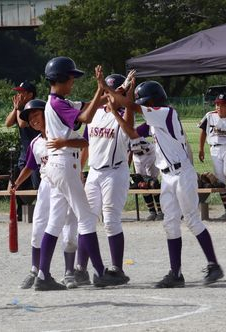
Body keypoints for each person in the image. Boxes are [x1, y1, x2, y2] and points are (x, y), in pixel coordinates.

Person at [106, 80, 224, 288]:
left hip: (182, 174)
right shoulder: (154, 120)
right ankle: (176, 273)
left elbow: (132, 106)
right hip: (167, 177)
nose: (144, 106)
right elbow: (132, 133)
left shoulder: (165, 113)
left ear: (154, 100)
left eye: (146, 102)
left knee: (191, 220)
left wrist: (108, 91)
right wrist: (115, 113)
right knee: (170, 224)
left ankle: (214, 265)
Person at [35, 56, 127, 290]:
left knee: (55, 221)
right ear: (61, 79)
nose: (73, 82)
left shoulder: (58, 101)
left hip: (58, 165)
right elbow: (85, 118)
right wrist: (99, 89)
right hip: (65, 165)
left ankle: (43, 276)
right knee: (86, 218)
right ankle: (99, 271)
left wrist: (109, 91)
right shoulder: (57, 103)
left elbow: (89, 107)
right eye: (71, 78)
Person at [11, 99, 83, 290]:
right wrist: (17, 183)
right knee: (38, 228)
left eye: (36, 115)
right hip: (46, 186)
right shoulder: (35, 143)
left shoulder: (64, 132)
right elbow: (30, 166)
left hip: (66, 183)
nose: (33, 120)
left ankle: (69, 272)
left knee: (69, 229)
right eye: (30, 118)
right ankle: (35, 270)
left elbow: (83, 143)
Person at [76, 73, 132, 284]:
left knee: (110, 220)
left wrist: (127, 93)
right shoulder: (96, 113)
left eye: (114, 91)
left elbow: (129, 122)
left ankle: (117, 268)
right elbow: (86, 143)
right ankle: (81, 268)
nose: (109, 94)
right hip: (95, 172)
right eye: (106, 90)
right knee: (86, 219)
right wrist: (79, 169)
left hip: (115, 172)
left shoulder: (125, 114)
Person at [5, 80, 41, 220]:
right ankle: (20, 211)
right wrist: (15, 108)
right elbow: (8, 123)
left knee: (37, 182)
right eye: (18, 92)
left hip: (36, 151)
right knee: (19, 182)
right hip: (24, 152)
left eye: (22, 92)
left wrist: (19, 108)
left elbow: (22, 123)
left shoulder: (34, 106)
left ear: (30, 94)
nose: (18, 95)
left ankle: (41, 210)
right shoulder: (19, 107)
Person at [130, 129, 164, 221]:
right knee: (141, 184)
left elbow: (152, 132)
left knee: (153, 183)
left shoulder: (134, 131)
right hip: (137, 157)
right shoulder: (121, 134)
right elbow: (129, 151)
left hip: (150, 154)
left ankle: (160, 212)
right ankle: (152, 212)